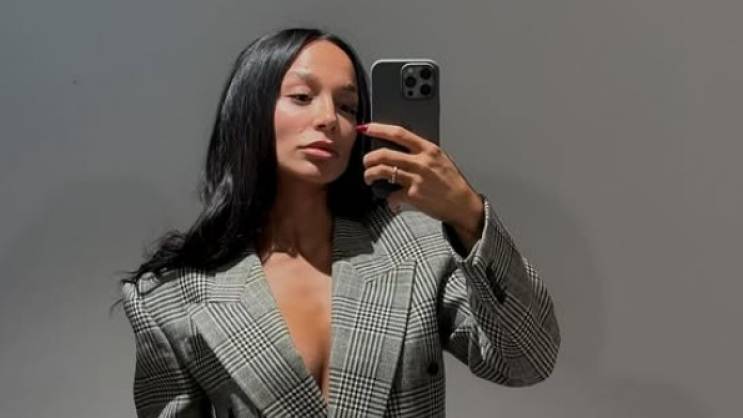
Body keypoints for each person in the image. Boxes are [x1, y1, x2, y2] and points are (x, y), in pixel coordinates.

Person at [119, 27, 561, 418]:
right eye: (301, 97)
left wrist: (468, 213)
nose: (329, 119)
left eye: (348, 106)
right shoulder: (172, 295)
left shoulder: (418, 250)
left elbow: (528, 359)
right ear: (250, 111)